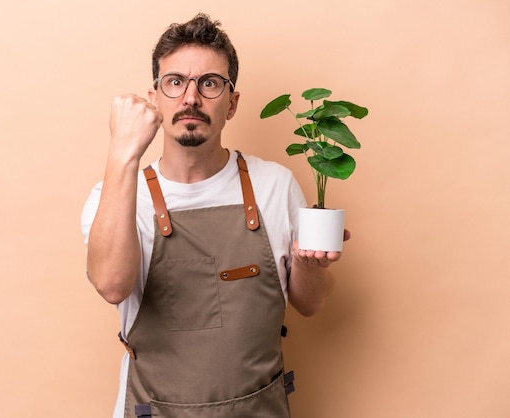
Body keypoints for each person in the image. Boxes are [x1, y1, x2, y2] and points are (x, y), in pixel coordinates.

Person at [81, 13, 348, 418]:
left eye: (209, 83)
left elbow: (309, 305)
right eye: (174, 82)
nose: (191, 98)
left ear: (232, 103)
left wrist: (311, 267)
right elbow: (112, 285)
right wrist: (123, 151)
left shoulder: (275, 185)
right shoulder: (117, 196)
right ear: (153, 99)